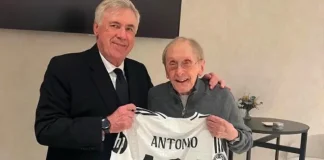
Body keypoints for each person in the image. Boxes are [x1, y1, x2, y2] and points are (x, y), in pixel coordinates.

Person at [34, 0, 226, 160]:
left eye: (130, 28)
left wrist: (200, 82)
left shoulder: (139, 71)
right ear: (97, 28)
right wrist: (105, 124)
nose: (122, 35)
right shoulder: (65, 67)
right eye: (115, 25)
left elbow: (162, 114)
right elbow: (46, 129)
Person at [147, 37, 253, 154]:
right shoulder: (155, 96)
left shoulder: (221, 96)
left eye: (187, 63)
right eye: (172, 64)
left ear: (201, 67)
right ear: (166, 71)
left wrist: (232, 134)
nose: (179, 72)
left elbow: (247, 142)